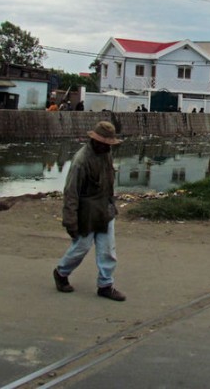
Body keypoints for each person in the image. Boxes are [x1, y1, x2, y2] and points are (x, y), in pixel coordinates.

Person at [53, 121, 126, 301]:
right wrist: (70, 219)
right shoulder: (81, 160)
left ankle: (105, 285)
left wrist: (111, 204)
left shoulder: (106, 154)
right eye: (103, 143)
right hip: (86, 210)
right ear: (94, 141)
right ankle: (61, 272)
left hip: (105, 207)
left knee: (108, 250)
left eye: (108, 144)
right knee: (81, 247)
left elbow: (109, 182)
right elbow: (71, 192)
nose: (106, 147)